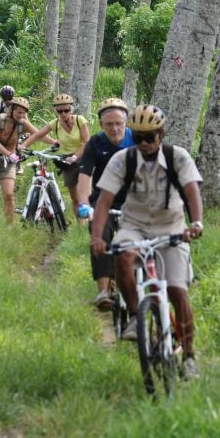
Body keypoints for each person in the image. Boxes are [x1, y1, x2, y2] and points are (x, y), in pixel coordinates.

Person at [89, 104, 204, 379]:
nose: (143, 143)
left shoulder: (178, 157)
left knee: (178, 291)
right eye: (137, 137)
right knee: (122, 254)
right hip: (135, 226)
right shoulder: (123, 160)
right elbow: (103, 201)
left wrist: (196, 223)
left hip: (172, 227)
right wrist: (97, 237)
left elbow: (192, 192)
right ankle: (134, 317)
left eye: (149, 137)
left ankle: (189, 357)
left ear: (161, 134)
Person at [77, 97, 134, 309]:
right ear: (101, 125)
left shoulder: (137, 139)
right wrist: (84, 204)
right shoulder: (95, 143)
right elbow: (85, 176)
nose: (115, 128)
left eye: (119, 123)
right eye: (109, 124)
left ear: (126, 122)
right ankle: (103, 292)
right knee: (100, 237)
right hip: (103, 201)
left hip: (133, 201)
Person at [22, 94, 91, 222]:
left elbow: (87, 141)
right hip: (66, 161)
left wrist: (75, 156)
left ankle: (92, 221)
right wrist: (23, 145)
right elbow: (37, 135)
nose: (63, 113)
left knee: (85, 195)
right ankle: (81, 226)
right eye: (60, 111)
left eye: (66, 110)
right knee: (74, 198)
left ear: (71, 109)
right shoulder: (55, 124)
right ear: (56, 111)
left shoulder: (79, 120)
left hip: (83, 157)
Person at [0, 96, 43, 222]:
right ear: (12, 109)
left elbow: (39, 134)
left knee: (9, 195)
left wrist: (55, 142)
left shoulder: (23, 123)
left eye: (24, 113)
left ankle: (10, 226)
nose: (21, 115)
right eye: (19, 112)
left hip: (8, 164)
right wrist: (9, 154)